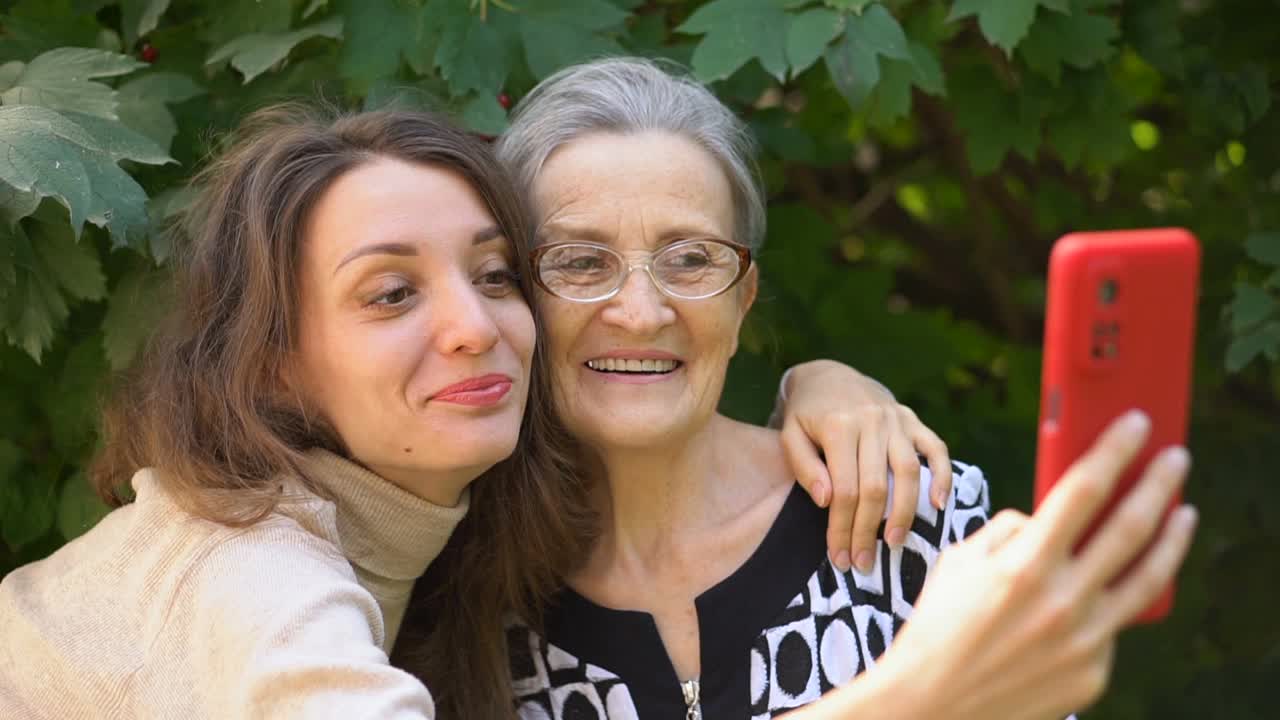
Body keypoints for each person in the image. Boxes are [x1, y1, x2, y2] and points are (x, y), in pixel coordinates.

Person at [0, 106, 941, 719]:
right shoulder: (253, 579)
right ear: (272, 365)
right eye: (390, 293)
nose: (474, 326)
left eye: (494, 275)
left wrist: (824, 382)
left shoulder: (454, 544)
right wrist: (921, 693)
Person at [400, 58, 1197, 720]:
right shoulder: (451, 588)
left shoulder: (910, 518)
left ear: (743, 301)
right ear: (515, 299)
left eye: (691, 259)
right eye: (580, 261)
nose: (641, 312)